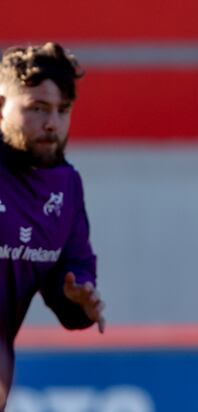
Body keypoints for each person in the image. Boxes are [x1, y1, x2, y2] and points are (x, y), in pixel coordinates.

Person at [0, 43, 105, 410]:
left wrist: (80, 298)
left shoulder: (66, 187)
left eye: (63, 110)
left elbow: (71, 274)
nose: (52, 123)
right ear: (1, 107)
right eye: (38, 108)